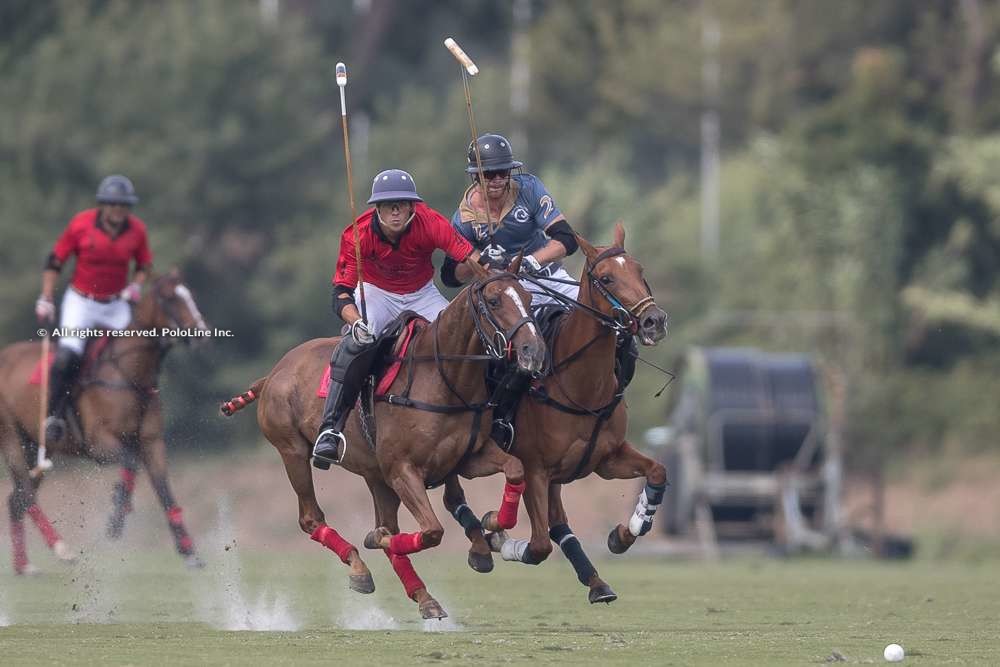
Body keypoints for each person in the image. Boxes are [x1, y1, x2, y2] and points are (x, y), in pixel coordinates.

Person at [313, 168, 483, 469]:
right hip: (377, 292)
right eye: (388, 205)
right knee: (356, 344)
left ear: (411, 207)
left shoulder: (430, 222)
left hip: (421, 292)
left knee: (465, 335)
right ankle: (331, 429)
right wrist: (357, 322)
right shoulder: (357, 234)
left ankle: (489, 415)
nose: (395, 211)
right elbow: (340, 293)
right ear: (376, 209)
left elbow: (469, 256)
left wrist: (496, 274)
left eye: (401, 205)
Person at [442, 133, 581, 448]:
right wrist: (479, 261)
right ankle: (502, 417)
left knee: (598, 319)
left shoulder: (529, 189)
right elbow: (451, 275)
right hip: (505, 290)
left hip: (547, 276)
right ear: (476, 176)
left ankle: (609, 393)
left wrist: (532, 260)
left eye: (503, 172)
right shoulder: (463, 220)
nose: (497, 179)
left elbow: (566, 239)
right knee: (512, 348)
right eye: (489, 174)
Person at [35, 174, 153, 442]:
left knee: (138, 353)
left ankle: (142, 415)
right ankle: (54, 416)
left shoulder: (137, 231)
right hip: (82, 303)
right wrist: (45, 297)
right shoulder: (80, 224)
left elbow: (144, 265)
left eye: (123, 205)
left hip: (116, 305)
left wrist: (136, 285)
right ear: (103, 205)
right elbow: (55, 261)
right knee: (67, 357)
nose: (118, 210)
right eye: (113, 204)